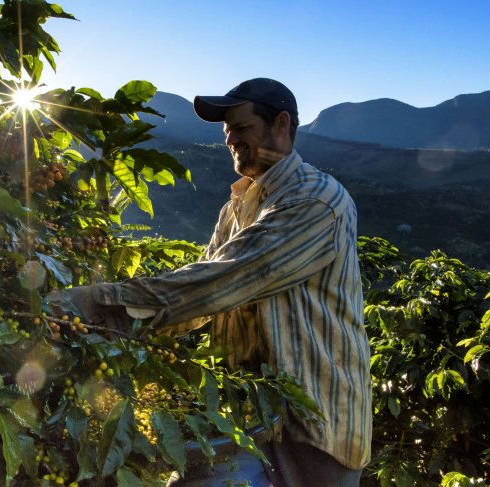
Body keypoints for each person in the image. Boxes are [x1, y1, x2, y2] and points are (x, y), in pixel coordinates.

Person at [50, 78, 371, 486]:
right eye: (227, 132)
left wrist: (93, 303)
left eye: (242, 128)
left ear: (282, 124)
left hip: (317, 426)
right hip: (253, 415)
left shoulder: (317, 200)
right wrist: (104, 333)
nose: (231, 140)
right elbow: (199, 298)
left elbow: (221, 281)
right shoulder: (235, 207)